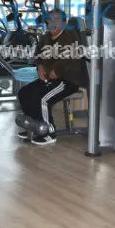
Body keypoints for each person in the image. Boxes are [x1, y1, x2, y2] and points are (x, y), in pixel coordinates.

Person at [16, 10, 86, 145]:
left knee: (42, 99)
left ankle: (48, 133)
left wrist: (57, 70)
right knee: (24, 93)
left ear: (64, 23)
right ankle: (35, 126)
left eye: (56, 19)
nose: (52, 23)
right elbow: (38, 54)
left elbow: (71, 59)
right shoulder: (46, 37)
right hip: (50, 79)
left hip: (67, 80)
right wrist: (40, 66)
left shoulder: (70, 37)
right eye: (49, 20)